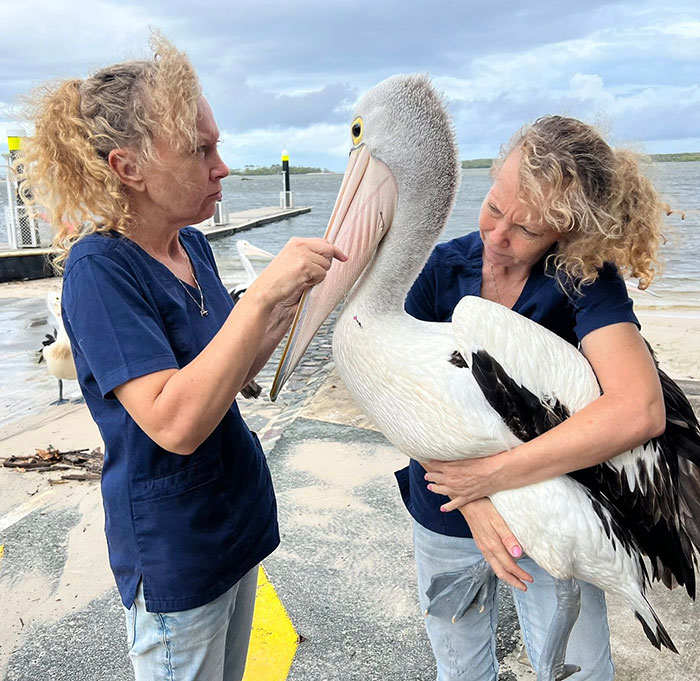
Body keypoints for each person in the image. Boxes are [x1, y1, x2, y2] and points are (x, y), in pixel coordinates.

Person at [17, 33, 345, 681]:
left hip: (235, 523)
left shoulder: (188, 246)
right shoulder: (100, 271)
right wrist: (261, 299)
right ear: (129, 167)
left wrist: (299, 307)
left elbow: (230, 370)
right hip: (177, 549)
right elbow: (174, 420)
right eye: (201, 149)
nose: (222, 166)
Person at [396, 115, 665, 680]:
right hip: (446, 510)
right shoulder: (441, 270)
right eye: (494, 208)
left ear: (564, 235)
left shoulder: (582, 278)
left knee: (579, 669)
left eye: (526, 230)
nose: (497, 237)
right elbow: (397, 396)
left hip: (551, 518)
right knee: (459, 669)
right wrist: (472, 498)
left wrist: (492, 476)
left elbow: (639, 408)